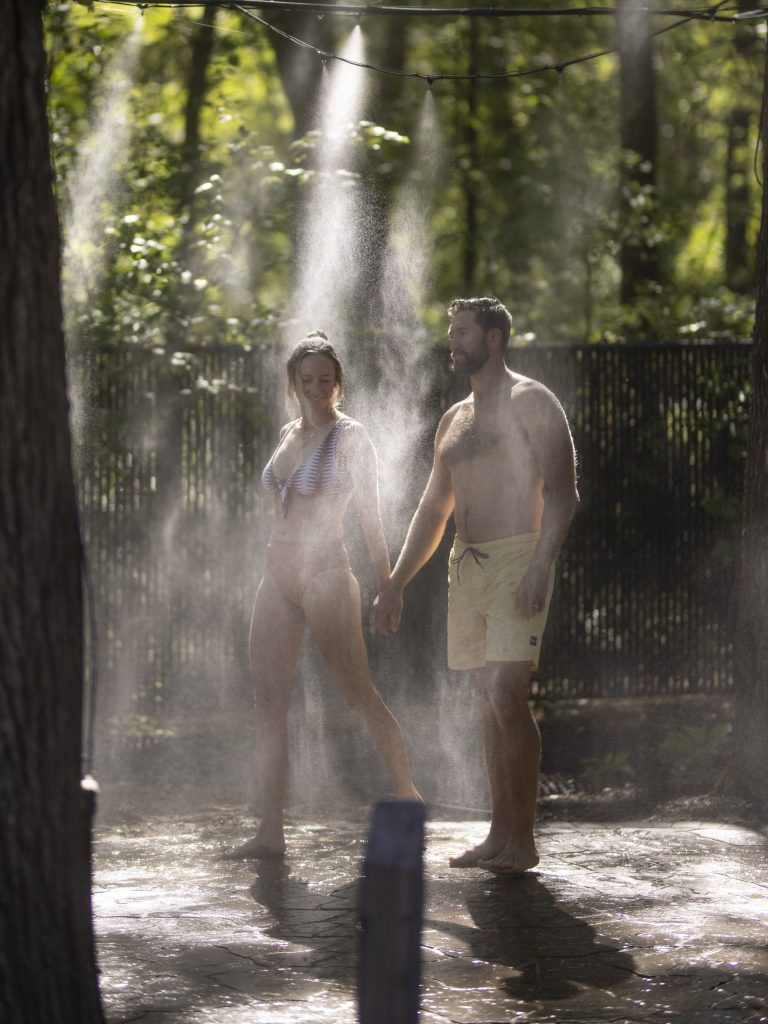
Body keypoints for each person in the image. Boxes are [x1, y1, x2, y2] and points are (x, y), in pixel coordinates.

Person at [374, 297, 578, 875]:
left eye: (461, 332)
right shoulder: (454, 418)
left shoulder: (533, 402)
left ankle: (525, 841)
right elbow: (434, 508)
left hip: (518, 556)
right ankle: (497, 835)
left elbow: (563, 494)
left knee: (509, 697)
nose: (452, 341)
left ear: (493, 339)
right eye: (450, 331)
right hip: (465, 564)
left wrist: (540, 566)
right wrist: (395, 582)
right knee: (485, 701)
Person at [226, 331, 420, 859]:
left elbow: (371, 518)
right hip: (278, 574)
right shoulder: (289, 434)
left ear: (339, 384)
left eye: (326, 381)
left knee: (358, 694)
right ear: (293, 383)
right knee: (268, 705)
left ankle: (408, 799)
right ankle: (269, 833)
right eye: (307, 381)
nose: (317, 390)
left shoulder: (351, 437)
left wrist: (388, 586)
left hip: (327, 574)